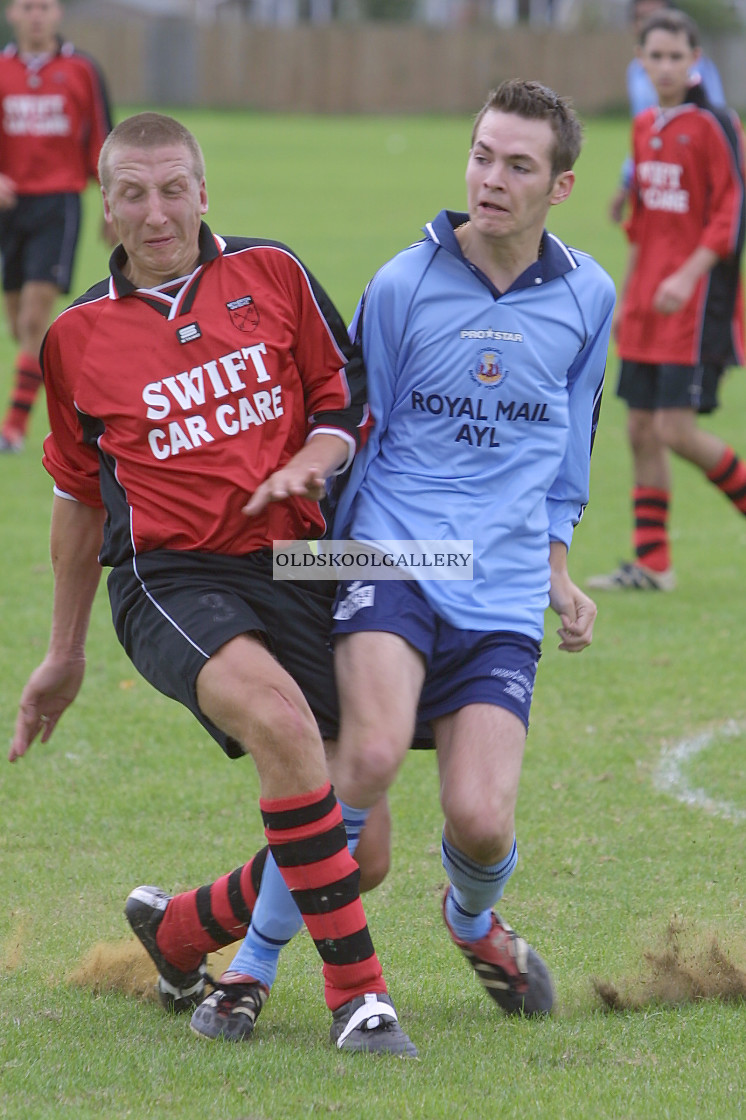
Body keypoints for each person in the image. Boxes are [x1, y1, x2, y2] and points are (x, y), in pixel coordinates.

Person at [127, 80, 615, 1041]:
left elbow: (569, 447)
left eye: (519, 165)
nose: (492, 179)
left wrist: (557, 568)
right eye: (482, 155)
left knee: (478, 820)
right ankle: (250, 972)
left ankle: (471, 923)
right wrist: (323, 561)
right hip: (393, 553)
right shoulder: (403, 284)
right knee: (372, 758)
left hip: (505, 586)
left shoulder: (590, 296)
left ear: (561, 185)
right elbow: (358, 428)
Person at [7, 111, 417, 1058]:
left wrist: (312, 462)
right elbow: (75, 501)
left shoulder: (272, 274)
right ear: (104, 205)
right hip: (170, 576)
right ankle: (359, 1000)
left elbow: (341, 404)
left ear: (204, 191)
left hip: (297, 560)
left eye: (174, 188)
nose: (158, 212)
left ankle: (186, 928)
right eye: (134, 193)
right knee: (278, 722)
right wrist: (63, 653)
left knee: (364, 851)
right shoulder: (75, 339)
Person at [588, 9, 746, 592]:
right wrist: (630, 294)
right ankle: (653, 564)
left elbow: (731, 213)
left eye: (677, 56)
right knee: (639, 432)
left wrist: (688, 275)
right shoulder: (646, 124)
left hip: (693, 302)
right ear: (641, 62)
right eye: (655, 56)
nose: (666, 66)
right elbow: (644, 224)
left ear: (696, 61)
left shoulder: (716, 124)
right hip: (647, 303)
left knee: (676, 430)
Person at [0, 0, 114, 454]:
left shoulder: (82, 69)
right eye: (27, 7)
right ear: (12, 14)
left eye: (44, 6)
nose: (36, 15)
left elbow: (103, 137)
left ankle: (13, 428)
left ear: (58, 13)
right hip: (9, 209)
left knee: (33, 318)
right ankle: (85, 400)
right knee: (19, 325)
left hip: (58, 202)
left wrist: (111, 202)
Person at [608, 0, 725, 225]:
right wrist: (626, 184)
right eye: (642, 17)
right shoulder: (635, 71)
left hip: (691, 173)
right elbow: (643, 133)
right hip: (656, 175)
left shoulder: (699, 69)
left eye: (656, 14)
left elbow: (716, 124)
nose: (666, 67)